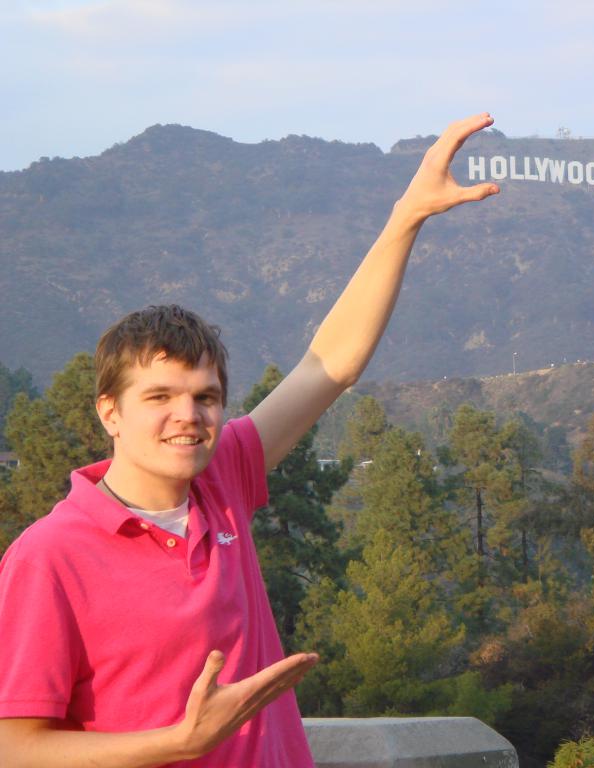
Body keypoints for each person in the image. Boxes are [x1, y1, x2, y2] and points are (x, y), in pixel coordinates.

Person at [0, 113, 500, 768]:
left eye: (205, 397)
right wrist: (178, 745)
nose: (189, 416)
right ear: (109, 413)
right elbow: (13, 747)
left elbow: (333, 365)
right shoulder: (50, 557)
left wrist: (406, 217)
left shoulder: (223, 478)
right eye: (159, 397)